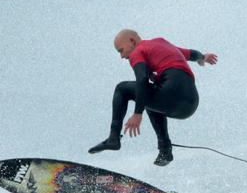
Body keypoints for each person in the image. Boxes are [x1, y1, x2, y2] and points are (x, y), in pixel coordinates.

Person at [88, 29, 218, 166]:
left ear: (132, 41)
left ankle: (113, 138)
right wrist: (203, 57)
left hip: (173, 94)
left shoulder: (138, 51)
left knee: (122, 88)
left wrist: (137, 114)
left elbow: (142, 79)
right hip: (191, 104)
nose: (121, 56)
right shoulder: (161, 43)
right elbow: (191, 54)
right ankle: (165, 150)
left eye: (121, 50)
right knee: (150, 98)